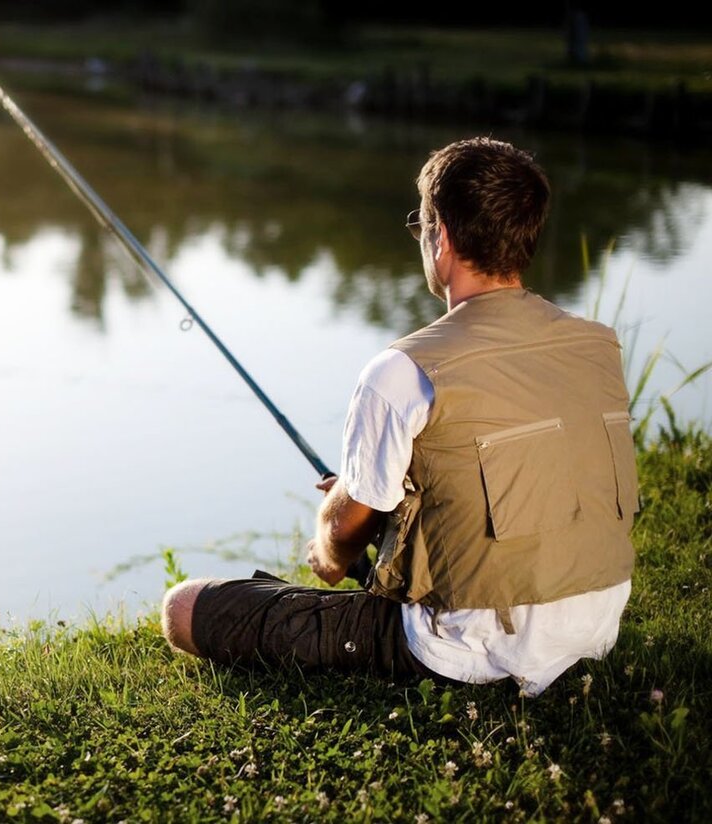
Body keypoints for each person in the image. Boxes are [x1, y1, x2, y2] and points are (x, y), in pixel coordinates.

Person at [161, 137, 638, 696]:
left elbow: (344, 529)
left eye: (422, 227)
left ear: (443, 241)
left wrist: (329, 546)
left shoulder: (403, 370)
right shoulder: (595, 345)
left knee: (185, 608)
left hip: (469, 651)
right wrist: (369, 495)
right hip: (596, 627)